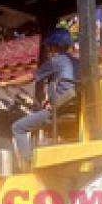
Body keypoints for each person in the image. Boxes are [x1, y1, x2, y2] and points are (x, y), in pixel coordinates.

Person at [11, 28, 79, 166]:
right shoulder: (77, 62)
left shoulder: (56, 61)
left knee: (18, 127)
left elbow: (31, 77)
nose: (48, 50)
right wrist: (50, 99)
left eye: (49, 46)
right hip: (73, 107)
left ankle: (31, 163)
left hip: (58, 110)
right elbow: (66, 86)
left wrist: (8, 82)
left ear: (55, 46)